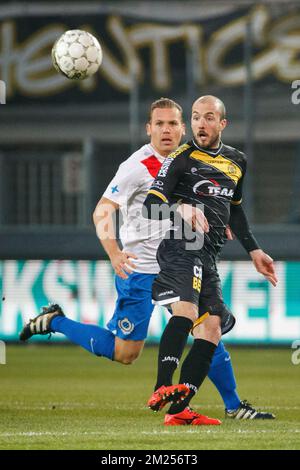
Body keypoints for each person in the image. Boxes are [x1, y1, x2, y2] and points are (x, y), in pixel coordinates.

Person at [19, 97, 275, 422]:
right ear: (148, 128)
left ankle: (232, 404)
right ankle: (56, 320)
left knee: (207, 328)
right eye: (159, 124)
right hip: (140, 267)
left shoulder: (191, 159)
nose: (166, 130)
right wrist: (114, 252)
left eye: (173, 124)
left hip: (182, 260)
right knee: (126, 352)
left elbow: (216, 195)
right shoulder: (136, 166)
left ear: (183, 128)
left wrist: (222, 221)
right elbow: (102, 210)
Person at [143, 95, 278, 425]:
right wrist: (180, 207)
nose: (201, 124)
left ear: (222, 123)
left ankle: (179, 409)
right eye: (196, 117)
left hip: (208, 255)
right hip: (182, 244)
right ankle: (162, 386)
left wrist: (255, 250)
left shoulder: (237, 161)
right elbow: (149, 206)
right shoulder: (181, 157)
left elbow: (235, 208)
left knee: (212, 328)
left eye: (208, 117)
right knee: (187, 312)